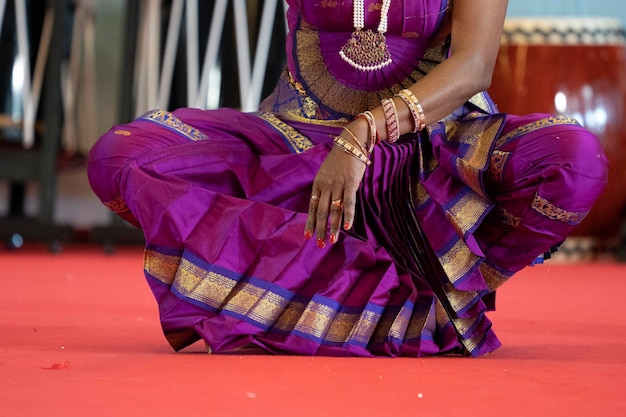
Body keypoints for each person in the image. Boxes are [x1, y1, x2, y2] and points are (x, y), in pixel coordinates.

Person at [87, 0, 608, 357]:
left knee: (573, 160)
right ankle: (378, 312)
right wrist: (337, 144)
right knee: (121, 159)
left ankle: (432, 297)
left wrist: (363, 136)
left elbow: (474, 65)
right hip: (296, 147)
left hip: (426, 162)